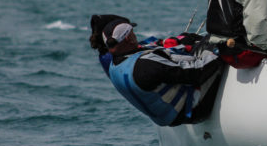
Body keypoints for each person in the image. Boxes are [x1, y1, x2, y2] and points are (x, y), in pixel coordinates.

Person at [89, 14, 223, 127]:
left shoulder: (115, 65)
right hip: (193, 110)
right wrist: (220, 52)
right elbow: (196, 73)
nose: (135, 35)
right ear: (128, 38)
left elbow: (148, 50)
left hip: (167, 117)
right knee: (219, 48)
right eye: (132, 33)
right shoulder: (146, 65)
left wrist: (181, 41)